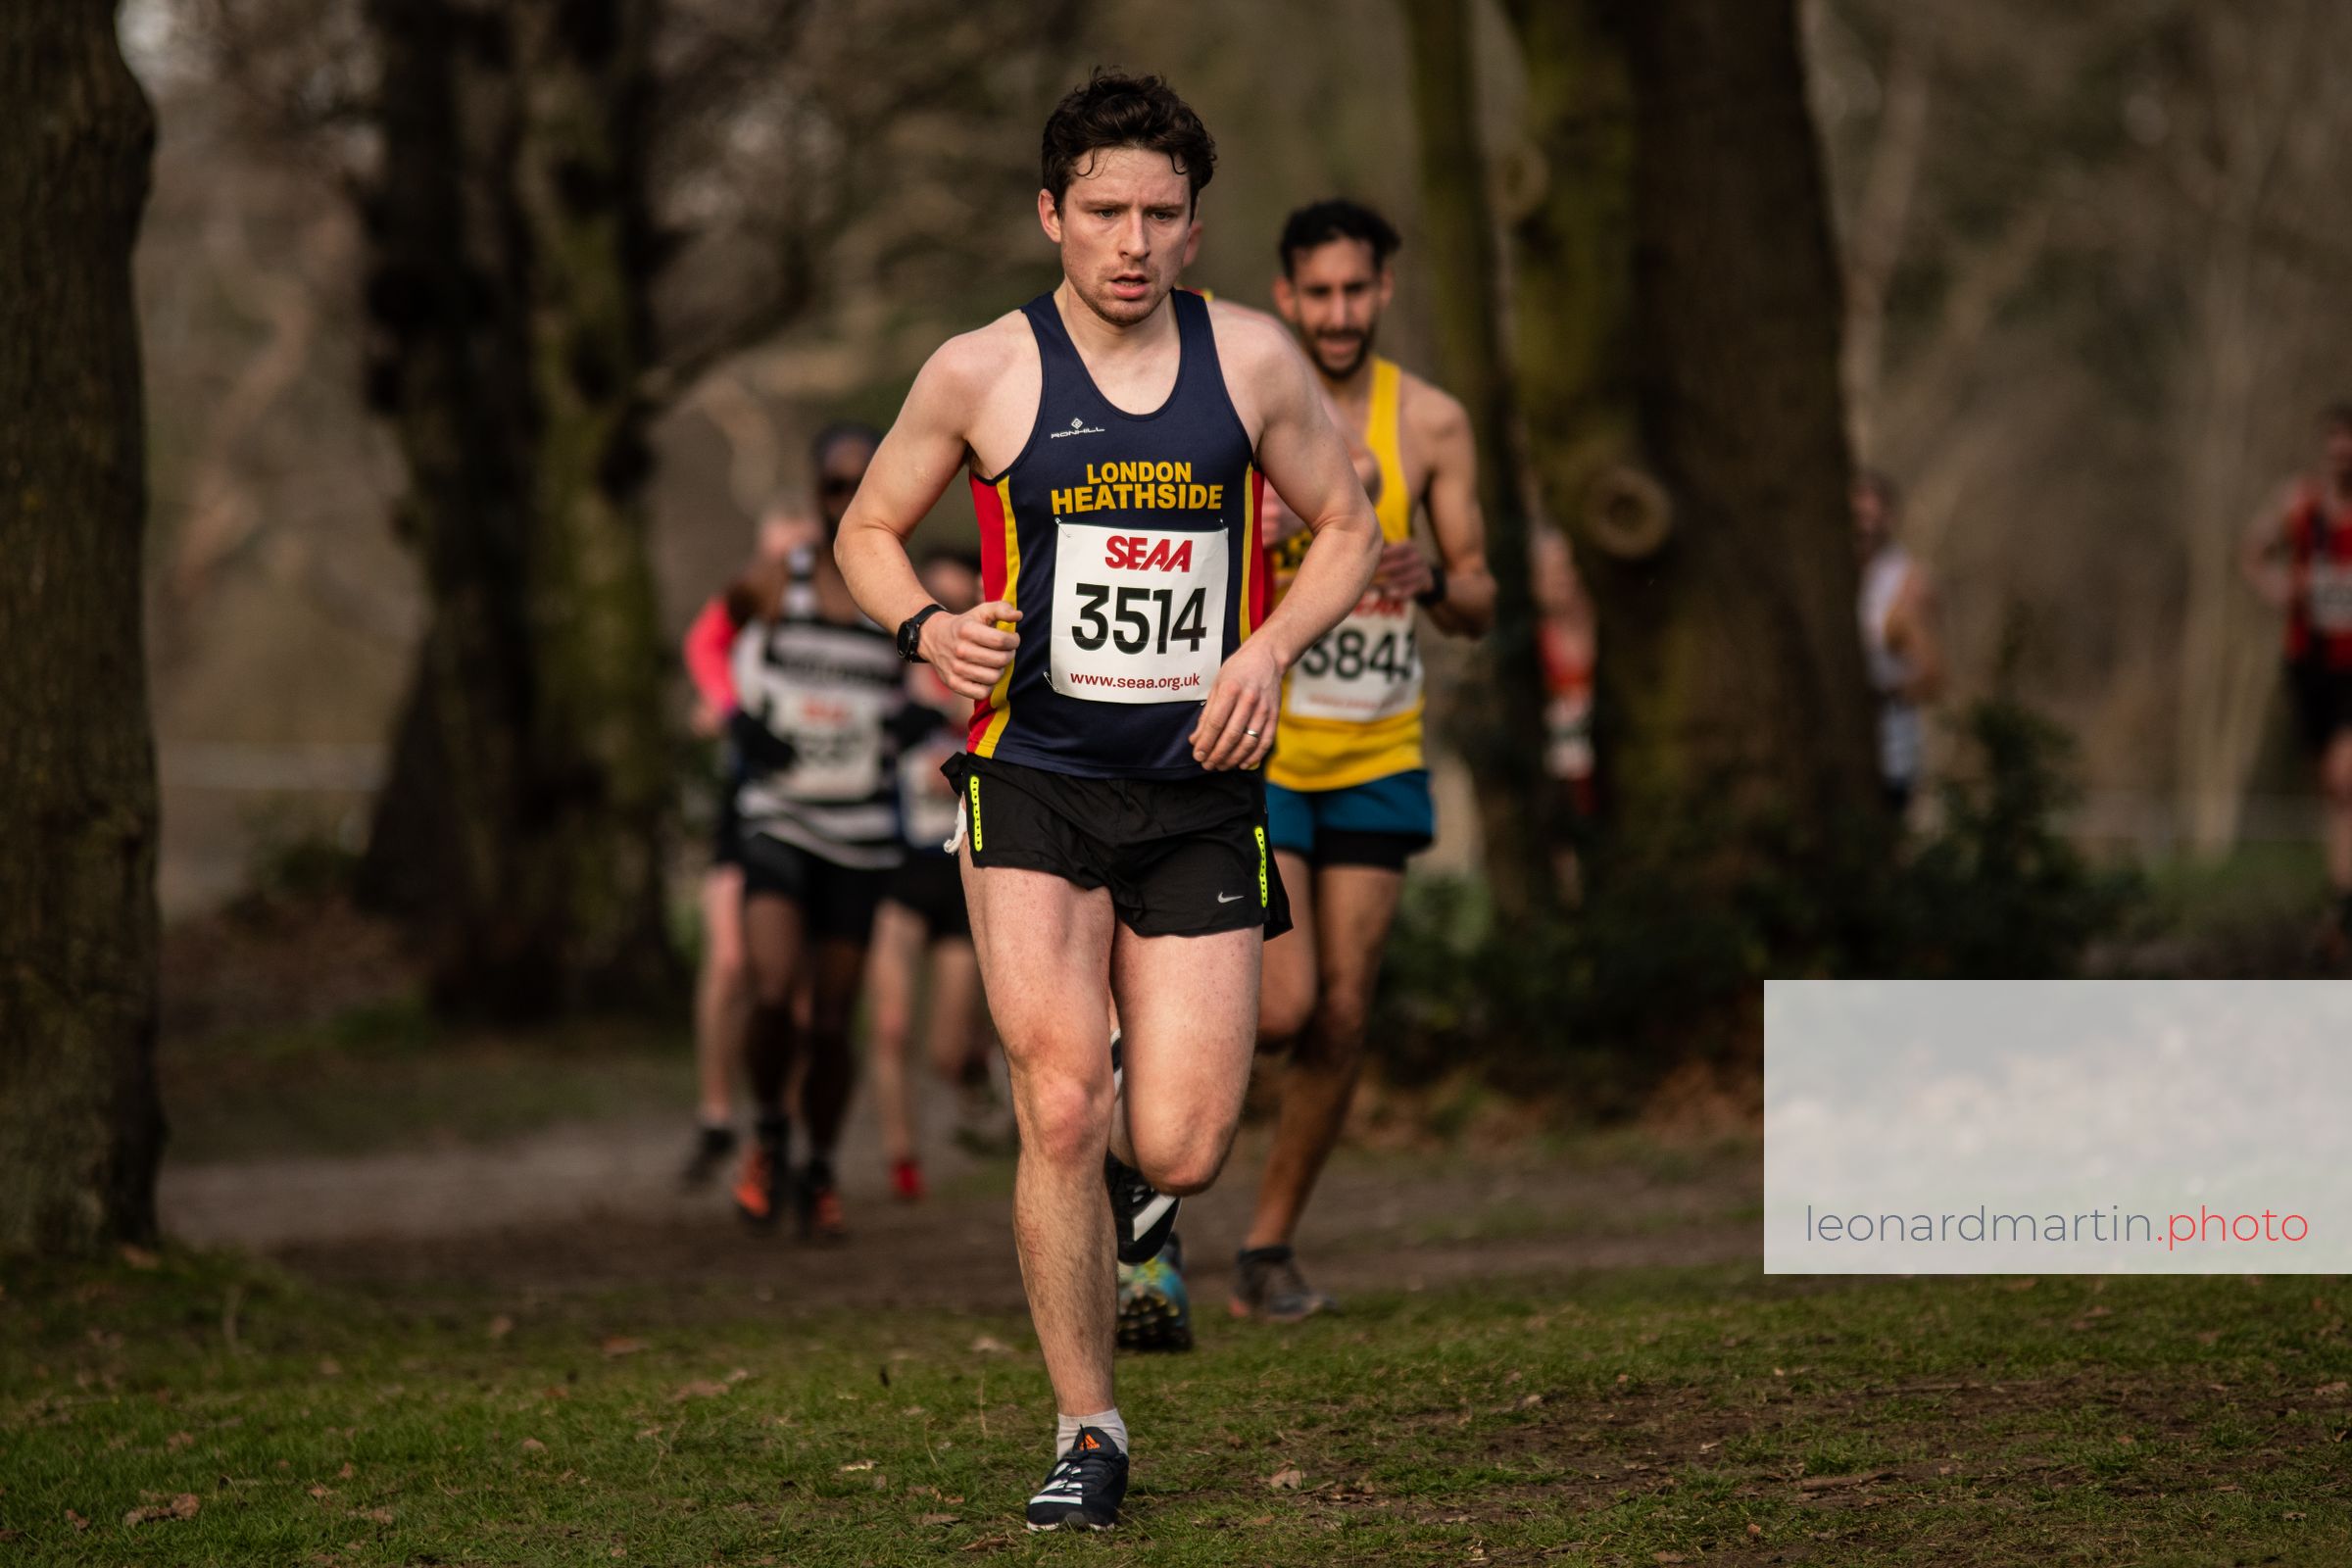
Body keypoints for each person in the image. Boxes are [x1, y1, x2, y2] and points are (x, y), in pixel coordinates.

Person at [832, 72, 1380, 1532]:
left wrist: (1267, 649)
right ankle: (1090, 1428)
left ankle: (1145, 1199)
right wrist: (924, 628)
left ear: (1195, 227)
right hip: (1034, 780)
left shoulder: (1252, 362)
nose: (1132, 242)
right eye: (1104, 212)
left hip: (1197, 790)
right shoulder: (981, 371)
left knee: (1184, 1142)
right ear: (1051, 215)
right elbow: (868, 527)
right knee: (1063, 1100)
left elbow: (1348, 524)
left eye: (1160, 214)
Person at [1228, 198, 1494, 1325]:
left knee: (1342, 1015)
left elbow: (1479, 594)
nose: (1338, 313)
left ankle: (1265, 1249)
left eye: (1356, 290)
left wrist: (1434, 578)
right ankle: (1141, 1128)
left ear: (1384, 290)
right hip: (1269, 743)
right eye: (1318, 293)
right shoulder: (1245, 402)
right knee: (1281, 1007)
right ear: (1286, 296)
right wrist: (1261, 534)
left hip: (1379, 745)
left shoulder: (1432, 422)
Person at [726, 421, 905, 1241]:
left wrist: (915, 727)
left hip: (861, 832)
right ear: (815, 491)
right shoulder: (778, 579)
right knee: (771, 992)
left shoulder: (896, 590)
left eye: (862, 483)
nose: (846, 498)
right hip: (779, 817)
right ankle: (768, 1129)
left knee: (832, 1022)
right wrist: (736, 719)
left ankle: (821, 1165)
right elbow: (710, 640)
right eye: (834, 485)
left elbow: (940, 681)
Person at [678, 507, 821, 1188]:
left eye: (799, 552)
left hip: (825, 812)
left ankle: (779, 1128)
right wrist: (734, 714)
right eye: (775, 554)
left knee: (795, 984)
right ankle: (716, 1113)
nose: (786, 567)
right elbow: (703, 646)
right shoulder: (747, 600)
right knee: (732, 960)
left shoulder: (836, 609)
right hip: (748, 809)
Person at [864, 547, 1008, 1200]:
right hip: (898, 873)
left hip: (960, 880)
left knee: (948, 1051)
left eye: (961, 601)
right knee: (891, 1025)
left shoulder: (993, 688)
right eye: (935, 601)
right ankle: (902, 1160)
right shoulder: (888, 688)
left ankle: (975, 1075)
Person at [2241, 402, 2352, 960]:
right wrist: (2278, 588)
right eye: (2335, 438)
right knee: (2334, 793)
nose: (2342, 449)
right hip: (2309, 665)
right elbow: (2252, 553)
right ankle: (2341, 906)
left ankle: (2344, 910)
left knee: (2346, 777)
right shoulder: (2299, 504)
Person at [1852, 468, 1944, 815]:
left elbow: (1934, 676)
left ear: (1889, 519)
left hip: (1889, 756)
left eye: (1872, 518)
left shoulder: (1906, 583)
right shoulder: (1827, 577)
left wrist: (1879, 695)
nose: (1864, 528)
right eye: (1857, 518)